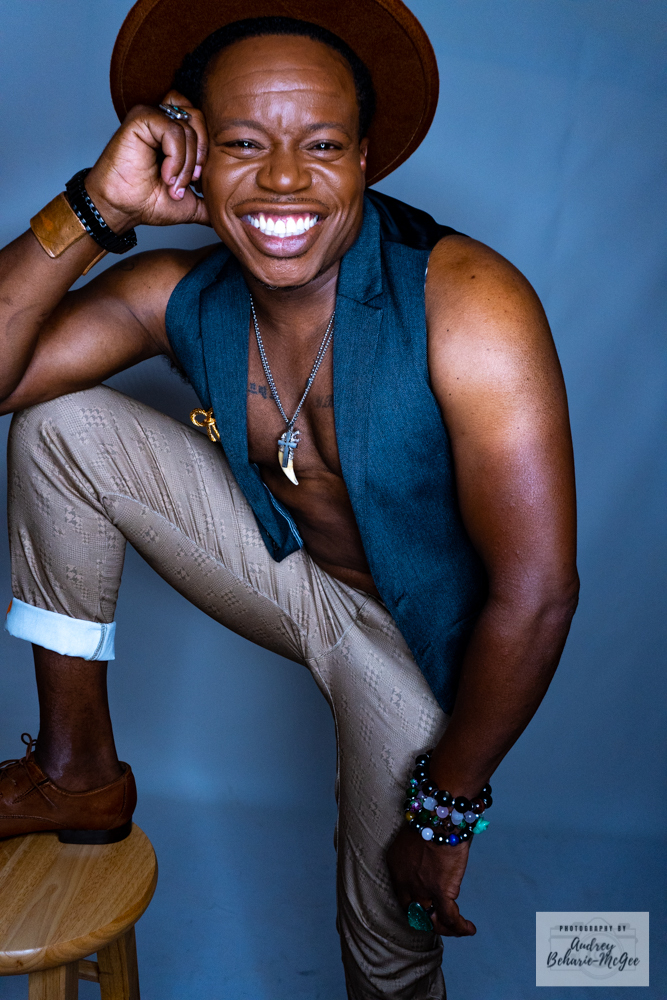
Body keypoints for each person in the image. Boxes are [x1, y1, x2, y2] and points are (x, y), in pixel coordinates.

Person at [0, 2, 578, 997]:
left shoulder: (470, 304)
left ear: (363, 160)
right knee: (58, 424)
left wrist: (446, 811)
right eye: (242, 144)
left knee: (389, 951)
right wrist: (98, 205)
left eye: (320, 145)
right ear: (191, 154)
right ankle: (76, 768)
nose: (281, 180)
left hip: (409, 650)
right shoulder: (180, 293)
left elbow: (537, 595)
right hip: (288, 576)